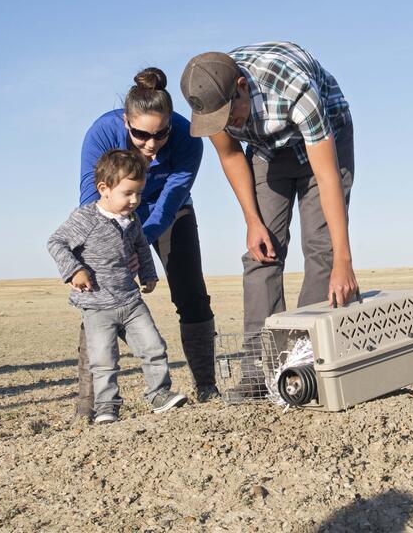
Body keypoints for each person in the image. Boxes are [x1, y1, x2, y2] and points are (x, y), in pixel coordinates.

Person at [179, 42, 359, 397]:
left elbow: (326, 178)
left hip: (325, 142)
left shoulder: (295, 90)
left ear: (242, 88)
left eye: (231, 116)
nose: (227, 125)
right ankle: (257, 372)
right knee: (261, 254)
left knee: (322, 249)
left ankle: (307, 366)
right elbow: (231, 156)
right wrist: (252, 221)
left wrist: (344, 260)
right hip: (267, 150)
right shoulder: (211, 101)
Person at [73, 67, 217, 422]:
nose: (151, 144)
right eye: (140, 134)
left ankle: (207, 386)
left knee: (191, 292)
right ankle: (88, 406)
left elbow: (172, 199)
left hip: (168, 213)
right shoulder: (102, 132)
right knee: (100, 296)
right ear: (126, 122)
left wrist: (139, 243)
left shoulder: (188, 137)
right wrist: (113, 245)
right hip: (111, 215)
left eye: (160, 133)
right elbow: (92, 199)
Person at [49, 149, 188, 423]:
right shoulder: (84, 218)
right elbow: (56, 242)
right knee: (103, 361)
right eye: (128, 193)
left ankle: (159, 393)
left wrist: (148, 274)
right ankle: (106, 408)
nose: (135, 200)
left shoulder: (132, 219)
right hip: (97, 306)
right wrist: (74, 269)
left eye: (138, 193)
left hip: (130, 301)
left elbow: (140, 246)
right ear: (104, 189)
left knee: (154, 347)